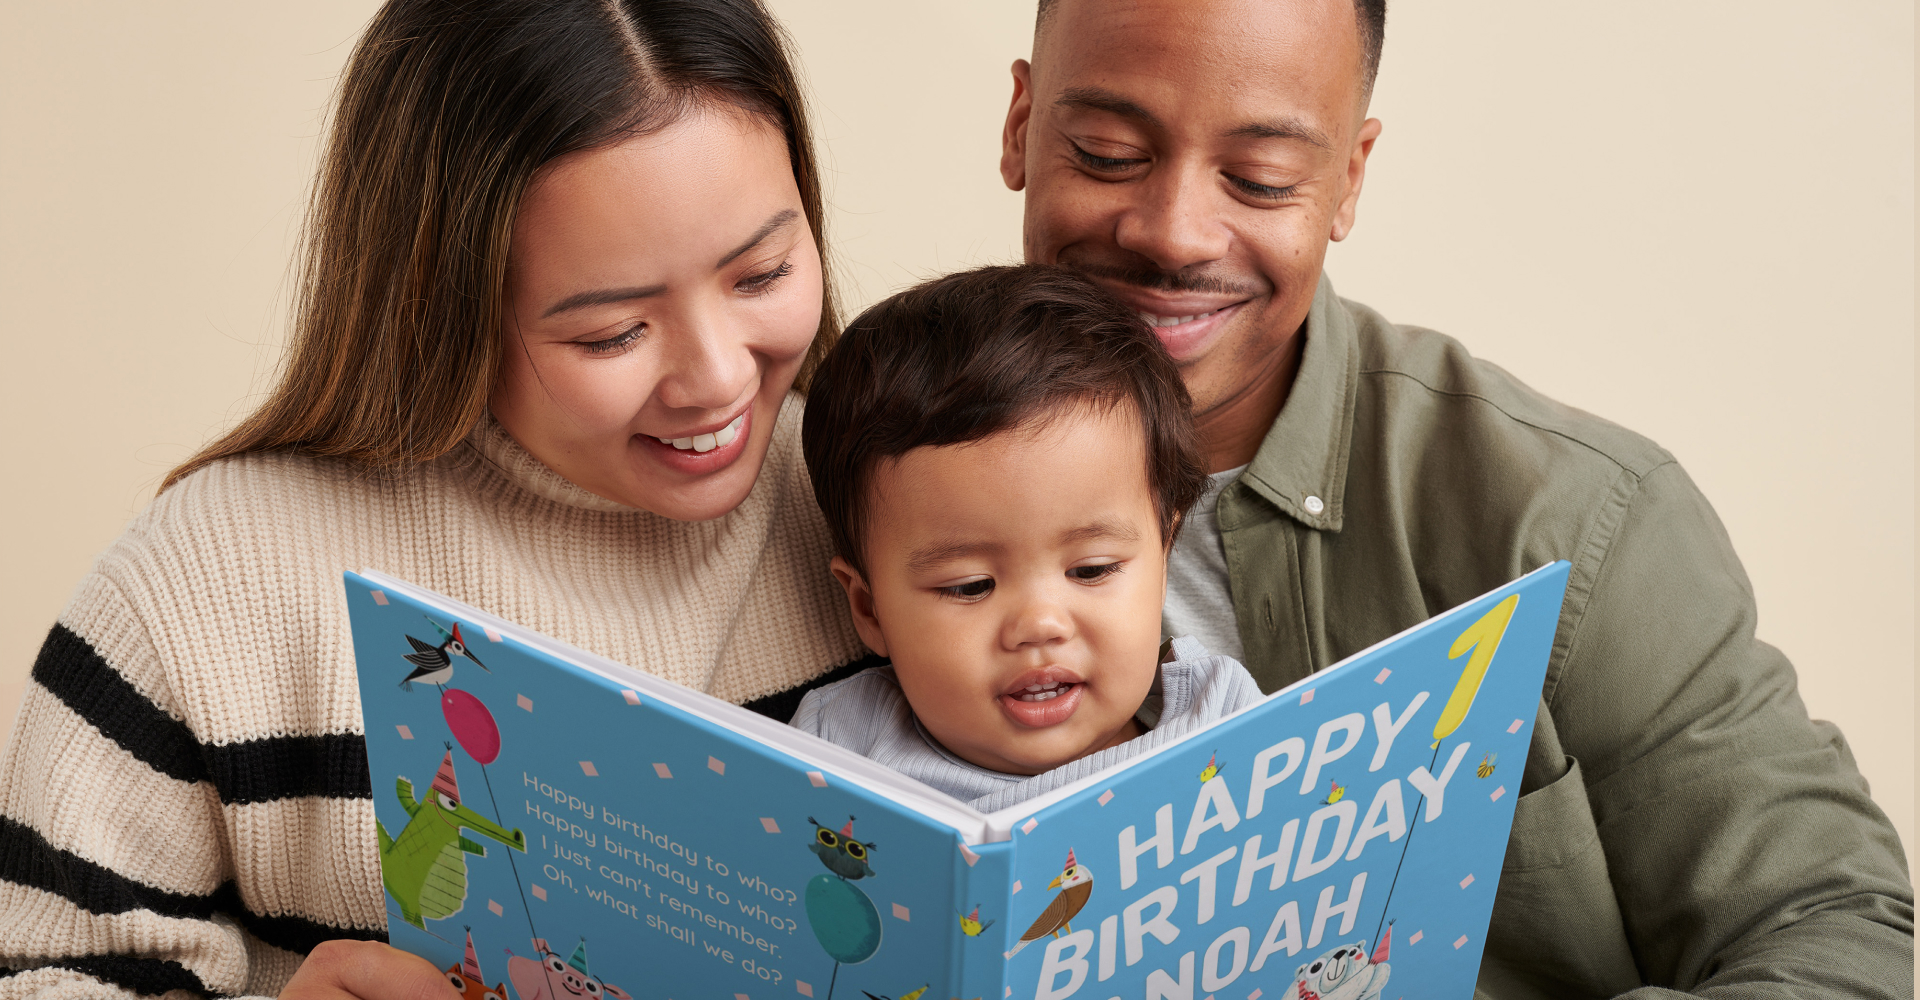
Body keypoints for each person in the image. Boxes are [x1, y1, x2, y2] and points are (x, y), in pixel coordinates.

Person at [996, 0, 1912, 997]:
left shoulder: (1575, 519)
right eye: (1107, 152)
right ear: (1020, 127)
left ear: (1347, 180)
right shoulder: (864, 480)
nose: (1173, 233)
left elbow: (1839, 928)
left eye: (1260, 179)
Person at [0, 1, 878, 997]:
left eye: (762, 272)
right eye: (611, 334)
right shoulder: (204, 590)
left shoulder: (887, 500)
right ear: (442, 305)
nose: (718, 378)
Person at [792, 265, 1262, 810]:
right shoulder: (840, 745)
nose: (1039, 625)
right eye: (970, 587)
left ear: (1164, 556)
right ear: (869, 609)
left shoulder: (1220, 720)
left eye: (1092, 570)